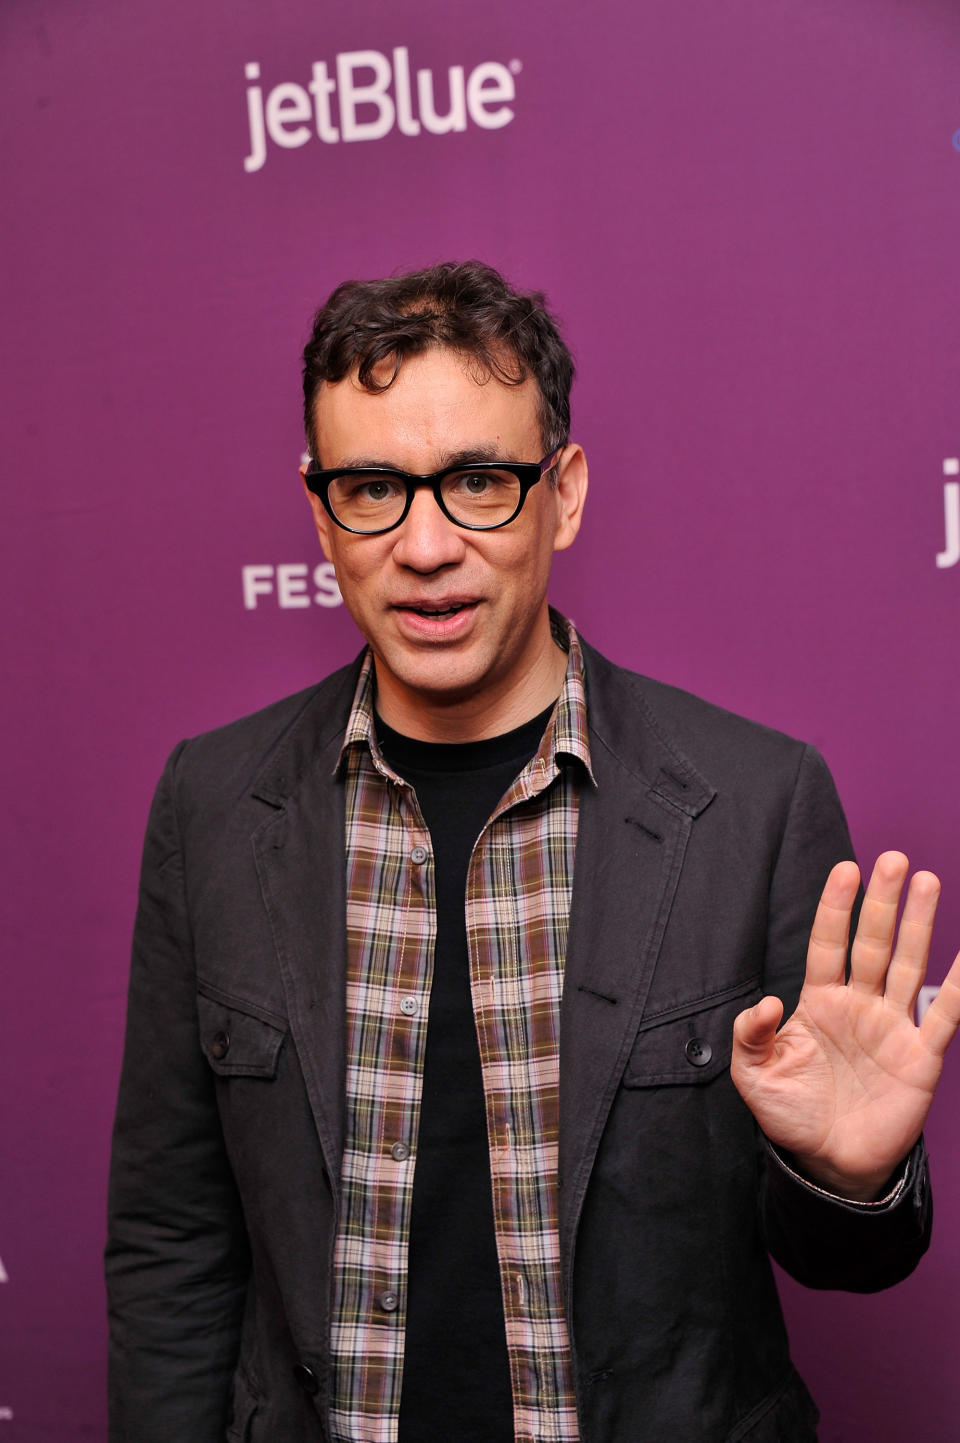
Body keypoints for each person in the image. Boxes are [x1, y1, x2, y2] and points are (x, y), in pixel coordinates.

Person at [106, 261, 960, 1443]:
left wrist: (852, 1179)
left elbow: (845, 1266)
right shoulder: (213, 802)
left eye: (476, 482)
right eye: (373, 489)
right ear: (319, 513)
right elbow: (170, 1241)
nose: (424, 545)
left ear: (562, 493)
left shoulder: (756, 803)